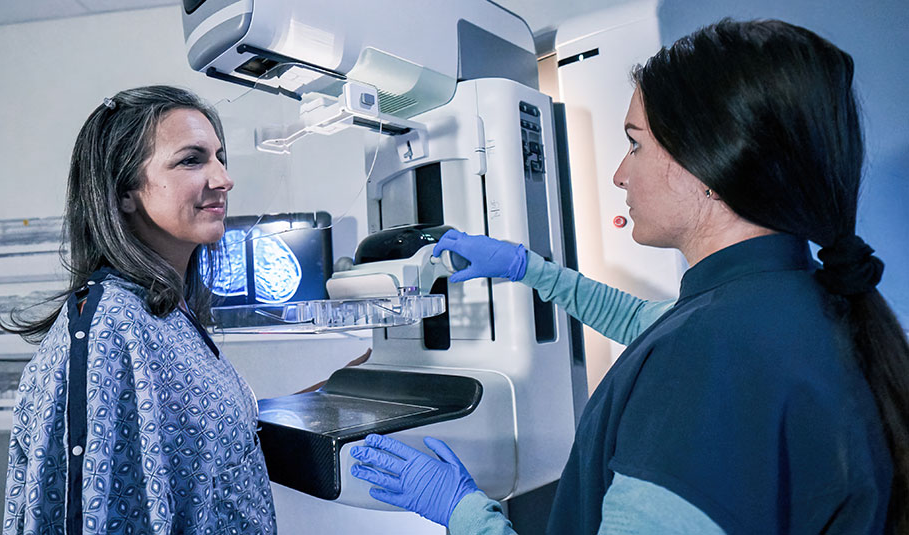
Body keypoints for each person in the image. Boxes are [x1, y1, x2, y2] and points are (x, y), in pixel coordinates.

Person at [350, 18, 908, 534]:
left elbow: (679, 346)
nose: (619, 173)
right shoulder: (796, 301)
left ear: (707, 164)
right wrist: (528, 268)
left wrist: (465, 513)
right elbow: (646, 322)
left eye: (635, 143)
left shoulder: (711, 357)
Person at [0, 86, 276, 534]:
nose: (224, 179)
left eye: (219, 157)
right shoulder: (111, 326)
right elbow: (97, 512)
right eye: (192, 159)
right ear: (124, 191)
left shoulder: (165, 312)